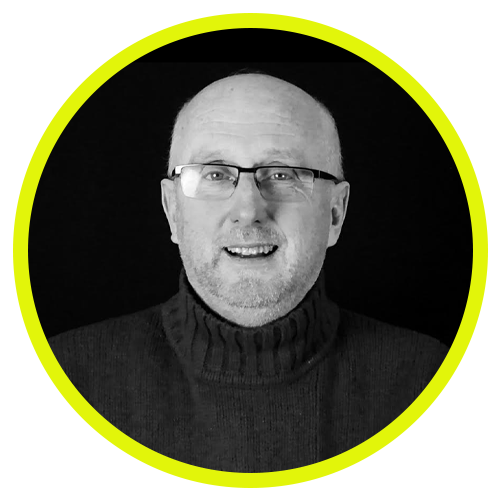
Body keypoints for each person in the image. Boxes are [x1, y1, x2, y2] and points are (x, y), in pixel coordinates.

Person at [49, 73, 448, 473]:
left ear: (335, 214)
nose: (248, 210)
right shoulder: (62, 382)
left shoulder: (434, 384)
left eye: (282, 174)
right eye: (215, 174)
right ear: (172, 210)